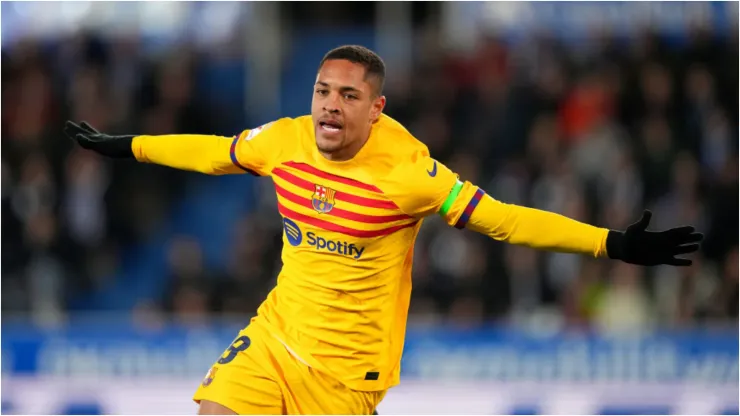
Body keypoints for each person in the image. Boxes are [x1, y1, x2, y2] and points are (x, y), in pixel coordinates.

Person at [64, 45, 703, 415]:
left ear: (377, 108)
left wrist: (610, 243)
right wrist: (127, 146)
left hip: (347, 378)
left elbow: (506, 222)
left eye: (346, 95)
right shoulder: (284, 141)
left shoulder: (411, 173)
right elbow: (210, 150)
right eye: (321, 91)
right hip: (275, 338)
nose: (329, 106)